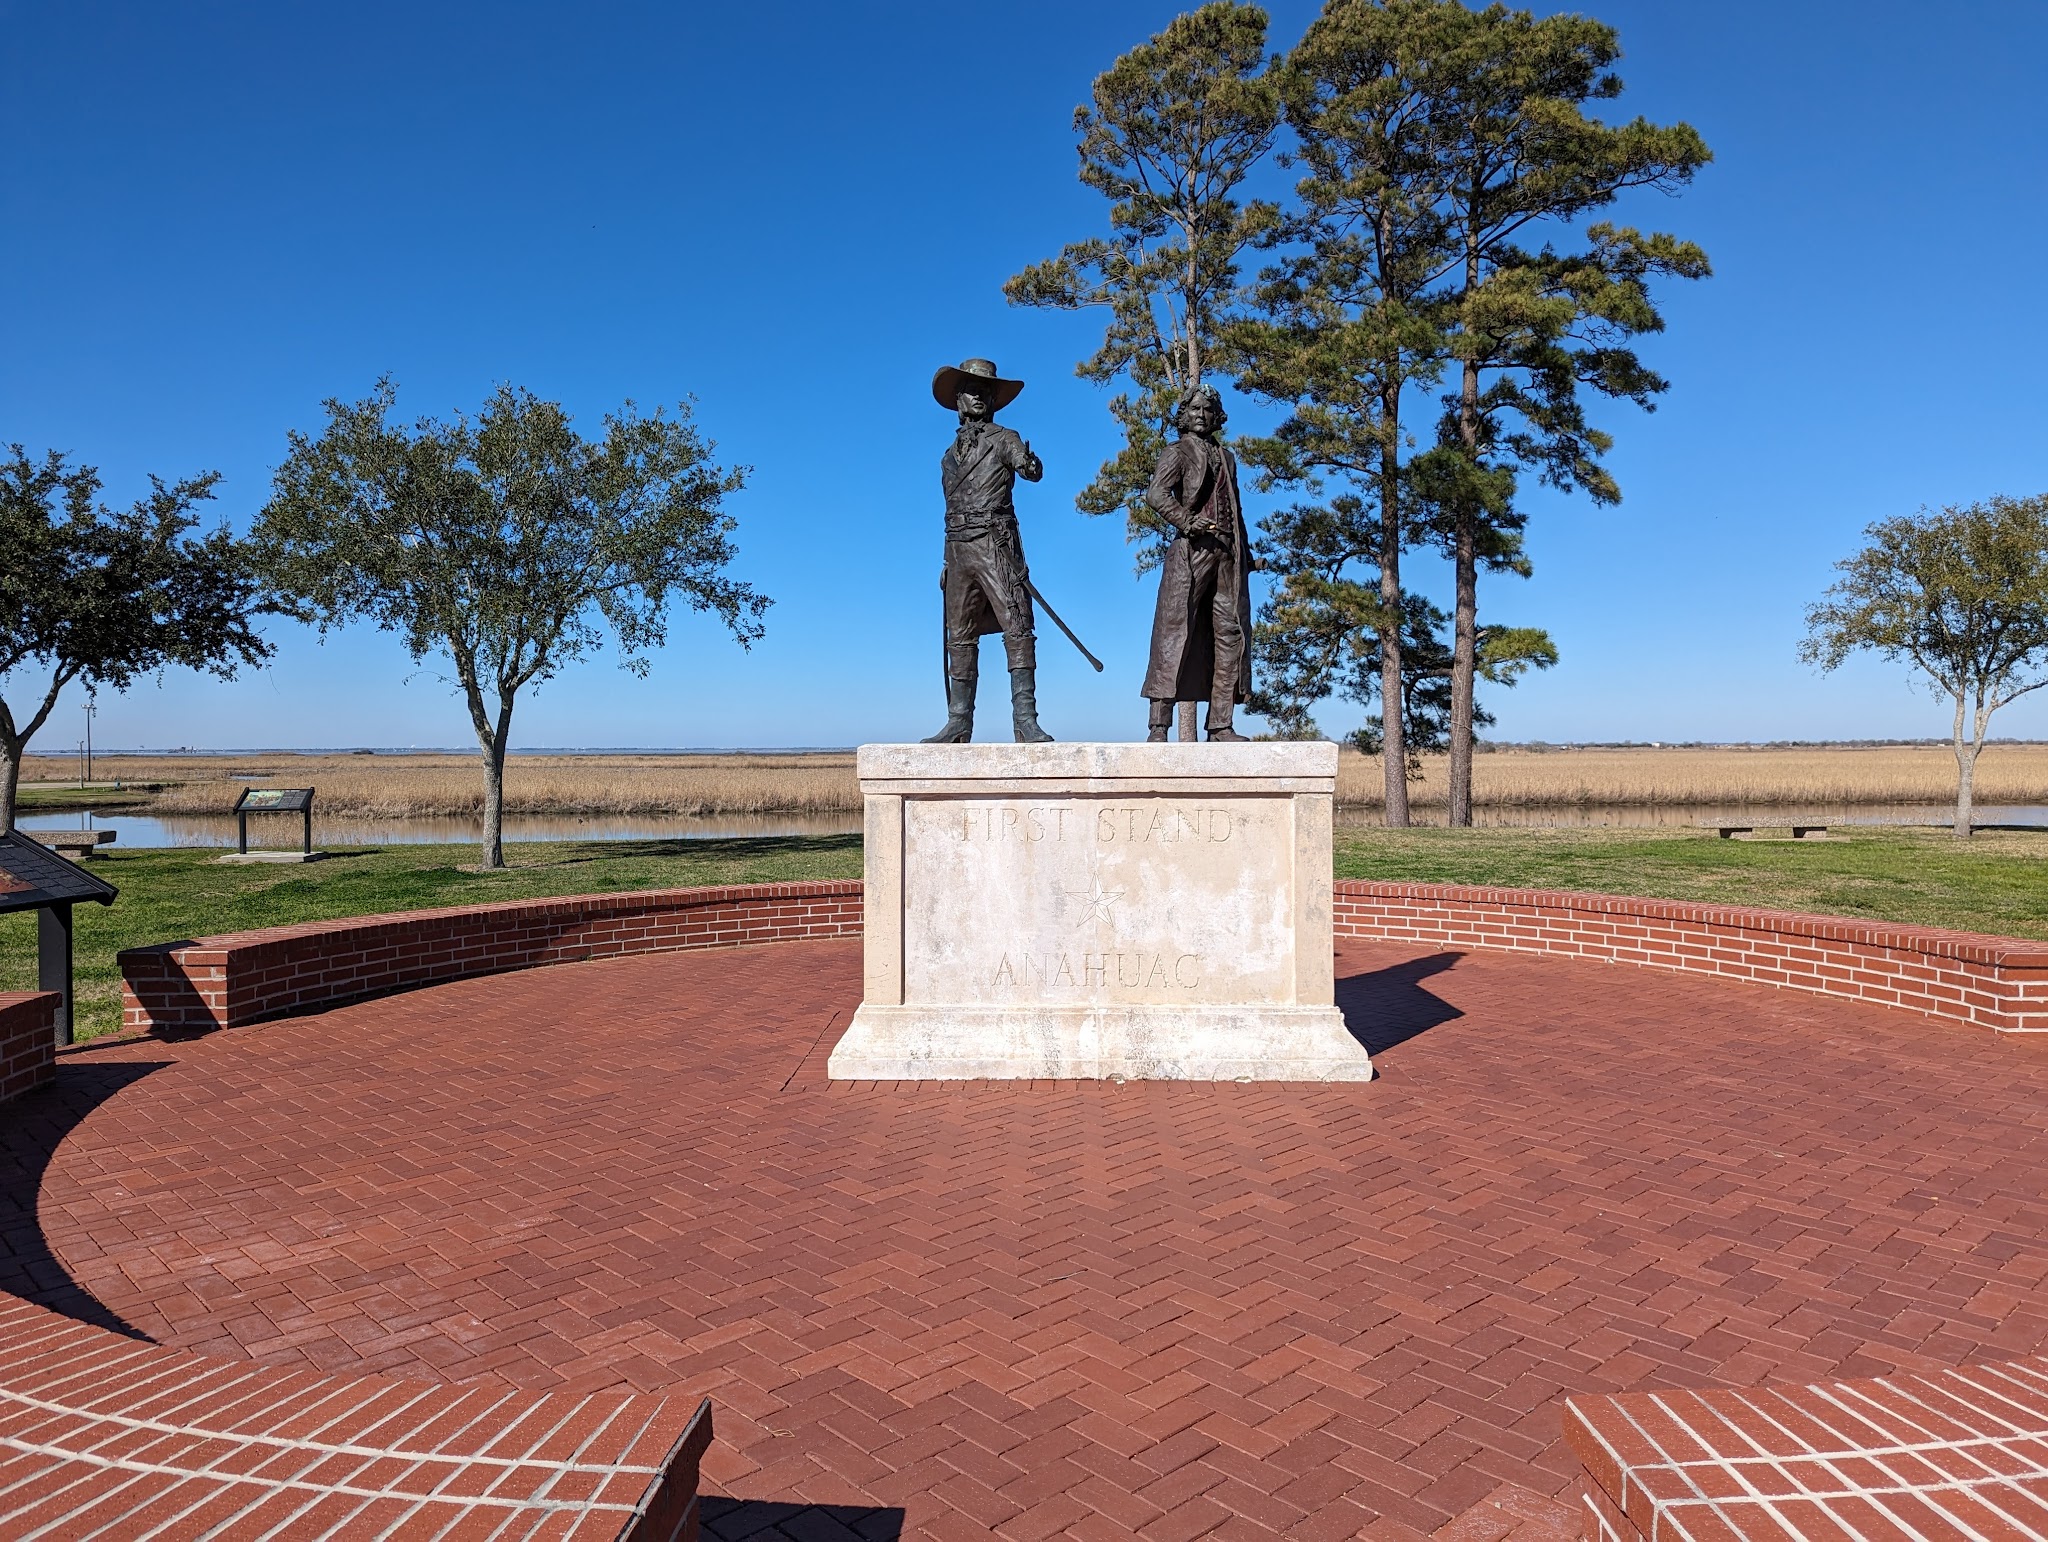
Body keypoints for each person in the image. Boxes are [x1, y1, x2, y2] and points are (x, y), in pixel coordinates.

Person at [923, 358, 1053, 743]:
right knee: (959, 636)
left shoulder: (1005, 438)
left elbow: (1029, 469)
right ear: (958, 400)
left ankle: (1026, 720)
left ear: (993, 399)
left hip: (996, 544)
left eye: (985, 390)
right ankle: (958, 722)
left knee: (1017, 626)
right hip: (958, 550)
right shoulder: (948, 456)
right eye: (970, 390)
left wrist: (1029, 463)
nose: (977, 396)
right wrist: (947, 560)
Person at [1142, 383, 1252, 742]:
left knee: (1229, 634)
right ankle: (1159, 727)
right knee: (1174, 634)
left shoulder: (1228, 458)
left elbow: (1236, 509)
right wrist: (1187, 521)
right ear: (1184, 416)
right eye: (1195, 410)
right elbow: (1155, 494)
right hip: (1192, 551)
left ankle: (1220, 724)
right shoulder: (1176, 452)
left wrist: (1246, 554)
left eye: (1207, 410)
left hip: (1226, 554)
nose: (1201, 416)